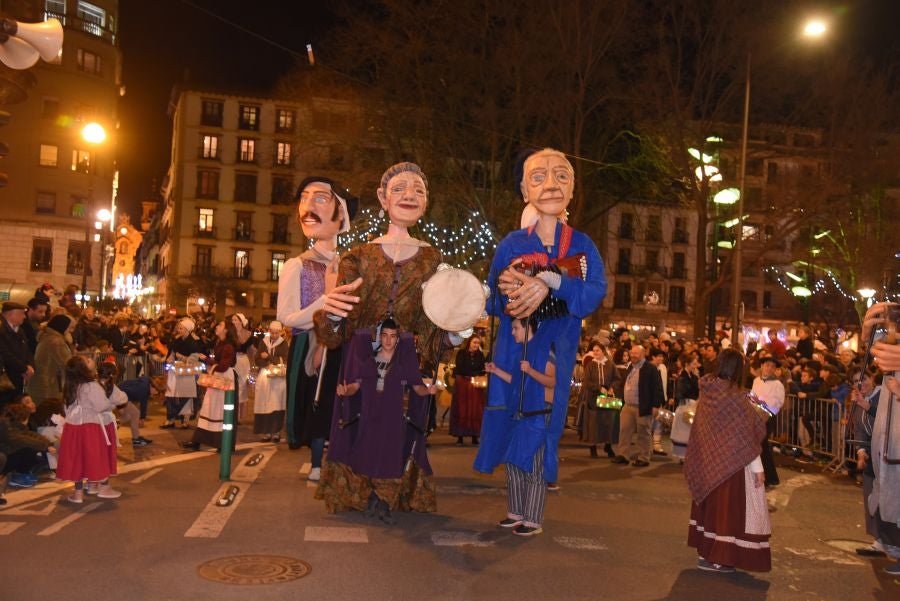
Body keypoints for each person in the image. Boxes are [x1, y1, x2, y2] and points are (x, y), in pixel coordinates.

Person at [474, 148, 607, 516]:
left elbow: (594, 292)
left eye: (561, 176)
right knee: (512, 422)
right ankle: (518, 508)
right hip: (514, 351)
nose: (551, 185)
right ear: (524, 190)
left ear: (573, 188)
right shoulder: (512, 244)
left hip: (554, 352)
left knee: (541, 426)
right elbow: (494, 304)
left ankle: (531, 511)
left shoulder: (582, 245)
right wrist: (506, 292)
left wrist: (555, 285)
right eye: (538, 177)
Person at [313, 162, 446, 519]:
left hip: (404, 356)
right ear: (382, 198)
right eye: (400, 188)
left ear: (426, 201)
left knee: (398, 425)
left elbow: (432, 324)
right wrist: (335, 312)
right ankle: (361, 491)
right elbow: (332, 333)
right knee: (360, 421)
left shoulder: (433, 259)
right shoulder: (359, 256)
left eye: (418, 190)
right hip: (360, 356)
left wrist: (453, 328)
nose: (409, 195)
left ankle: (393, 491)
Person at [277, 175, 358, 481]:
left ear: (341, 215)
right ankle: (315, 464)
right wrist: (325, 303)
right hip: (309, 344)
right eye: (304, 198)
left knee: (339, 402)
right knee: (316, 404)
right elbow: (287, 317)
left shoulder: (349, 265)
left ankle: (338, 460)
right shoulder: (296, 265)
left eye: (320, 199)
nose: (308, 207)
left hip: (342, 345)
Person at [330, 318, 438, 523]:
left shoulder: (403, 364)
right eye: (385, 336)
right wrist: (346, 390)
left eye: (393, 336)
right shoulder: (368, 361)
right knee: (368, 457)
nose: (388, 340)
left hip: (392, 423)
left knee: (389, 461)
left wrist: (429, 390)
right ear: (380, 337)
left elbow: (417, 388)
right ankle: (372, 498)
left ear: (397, 339)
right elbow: (355, 385)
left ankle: (385, 503)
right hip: (369, 420)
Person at [685, 348, 773, 573]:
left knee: (711, 510)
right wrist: (758, 468)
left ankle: (706, 554)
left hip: (708, 461)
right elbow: (746, 435)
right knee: (726, 513)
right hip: (732, 466)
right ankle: (720, 557)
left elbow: (702, 431)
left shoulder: (707, 391)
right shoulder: (737, 397)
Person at [484, 317, 556, 536]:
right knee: (513, 463)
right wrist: (496, 371)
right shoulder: (523, 351)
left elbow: (552, 382)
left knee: (533, 467)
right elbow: (517, 380)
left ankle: (533, 520)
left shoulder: (544, 350)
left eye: (516, 328)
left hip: (539, 413)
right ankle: (516, 513)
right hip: (521, 413)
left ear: (528, 328)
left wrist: (531, 370)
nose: (512, 332)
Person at [862, 301, 900, 575]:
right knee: (885, 492)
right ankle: (891, 546)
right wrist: (867, 331)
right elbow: (878, 352)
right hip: (886, 442)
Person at [56, 355, 121, 503]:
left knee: (77, 458)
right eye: (86, 360)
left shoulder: (70, 385)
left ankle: (78, 493)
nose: (90, 359)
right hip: (90, 426)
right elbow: (101, 406)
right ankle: (103, 487)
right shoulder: (91, 385)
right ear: (83, 368)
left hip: (72, 427)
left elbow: (67, 407)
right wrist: (111, 405)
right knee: (96, 456)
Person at [183, 318, 238, 452]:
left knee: (220, 411)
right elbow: (219, 363)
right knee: (209, 409)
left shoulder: (229, 346)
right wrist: (208, 360)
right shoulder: (220, 343)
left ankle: (223, 443)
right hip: (218, 378)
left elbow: (224, 366)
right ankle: (198, 440)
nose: (217, 326)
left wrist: (207, 360)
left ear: (226, 329)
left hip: (224, 380)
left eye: (220, 324)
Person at [611, 344, 665, 467]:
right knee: (624, 431)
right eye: (632, 353)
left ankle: (644, 457)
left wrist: (656, 405)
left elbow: (657, 388)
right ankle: (623, 455)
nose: (633, 355)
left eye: (636, 353)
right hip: (628, 405)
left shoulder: (650, 368)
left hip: (643, 406)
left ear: (643, 354)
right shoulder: (630, 367)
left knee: (643, 432)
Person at [28, 314, 74, 428]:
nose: (70, 331)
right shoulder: (56, 341)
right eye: (69, 327)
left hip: (41, 384)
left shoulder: (48, 337)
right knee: (48, 417)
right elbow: (68, 363)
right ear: (62, 327)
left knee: (40, 416)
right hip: (49, 386)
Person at [161, 317, 205, 429]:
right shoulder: (176, 341)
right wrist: (170, 359)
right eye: (179, 328)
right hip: (175, 372)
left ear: (188, 329)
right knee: (171, 395)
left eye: (181, 328)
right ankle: (170, 419)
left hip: (187, 374)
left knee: (186, 396)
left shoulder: (194, 343)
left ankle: (184, 420)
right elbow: (171, 353)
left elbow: (194, 358)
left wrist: (182, 357)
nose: (179, 330)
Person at [577, 343, 618, 458]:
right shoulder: (590, 365)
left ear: (603, 352)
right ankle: (593, 447)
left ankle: (608, 446)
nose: (595, 353)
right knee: (593, 423)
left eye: (598, 350)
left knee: (608, 422)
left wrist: (611, 388)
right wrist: (599, 388)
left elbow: (617, 378)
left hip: (607, 398)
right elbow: (587, 381)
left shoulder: (610, 365)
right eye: (594, 351)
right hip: (593, 398)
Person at [751, 356, 785, 487]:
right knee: (762, 446)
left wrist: (766, 408)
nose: (769, 368)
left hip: (768, 417)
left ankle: (767, 476)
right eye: (767, 365)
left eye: (772, 366)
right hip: (755, 416)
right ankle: (770, 477)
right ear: (762, 366)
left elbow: (779, 402)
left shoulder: (778, 384)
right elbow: (753, 397)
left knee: (762, 444)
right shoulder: (756, 380)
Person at [253, 321, 289, 442]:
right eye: (272, 332)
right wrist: (266, 364)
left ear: (280, 332)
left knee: (277, 404)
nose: (274, 335)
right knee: (264, 403)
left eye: (276, 333)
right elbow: (257, 359)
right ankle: (266, 432)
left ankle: (276, 432)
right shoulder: (263, 342)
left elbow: (284, 360)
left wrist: (268, 357)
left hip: (278, 379)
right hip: (264, 376)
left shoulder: (283, 344)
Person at [449, 335, 486, 446]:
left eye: (478, 343)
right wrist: (473, 372)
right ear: (469, 342)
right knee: (462, 409)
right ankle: (460, 437)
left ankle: (474, 437)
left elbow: (482, 369)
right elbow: (460, 368)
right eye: (474, 342)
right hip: (463, 385)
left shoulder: (480, 355)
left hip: (475, 385)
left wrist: (476, 374)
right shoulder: (461, 353)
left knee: (475, 410)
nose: (476, 345)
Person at [0, 301, 35, 409]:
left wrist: (30, 366)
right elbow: (5, 354)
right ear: (11, 314)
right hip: (6, 379)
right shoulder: (1, 330)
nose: (24, 317)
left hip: (18, 377)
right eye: (21, 313)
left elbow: (27, 350)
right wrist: (24, 368)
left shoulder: (20, 330)